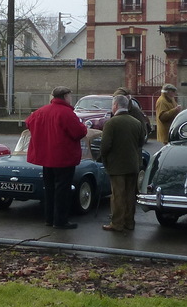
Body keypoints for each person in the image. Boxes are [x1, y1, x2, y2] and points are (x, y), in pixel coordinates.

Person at [25, 86, 87, 230]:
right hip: (63, 158)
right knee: (62, 190)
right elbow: (78, 132)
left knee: (49, 189)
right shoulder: (67, 113)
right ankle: (60, 220)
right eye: (70, 96)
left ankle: (49, 218)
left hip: (46, 157)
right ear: (65, 96)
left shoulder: (40, 111)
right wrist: (84, 127)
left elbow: (29, 123)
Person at [99, 94, 146, 232]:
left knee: (118, 195)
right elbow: (140, 142)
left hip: (117, 165)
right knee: (130, 194)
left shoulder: (111, 123)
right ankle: (129, 222)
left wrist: (104, 158)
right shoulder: (136, 122)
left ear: (115, 106)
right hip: (133, 163)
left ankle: (117, 223)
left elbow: (105, 146)